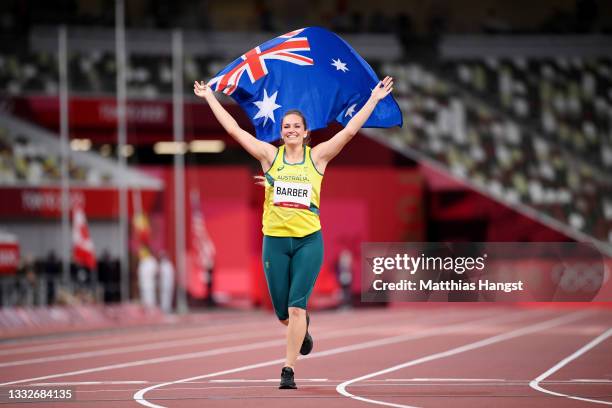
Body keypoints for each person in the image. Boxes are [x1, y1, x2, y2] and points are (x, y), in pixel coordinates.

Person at [194, 76, 394, 389]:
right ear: (281, 131)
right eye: (286, 126)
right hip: (274, 242)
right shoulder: (269, 158)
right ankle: (302, 330)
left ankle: (288, 369)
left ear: (305, 132)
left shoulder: (318, 157)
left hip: (308, 241)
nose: (290, 130)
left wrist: (374, 98)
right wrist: (209, 97)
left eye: (296, 127)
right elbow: (234, 130)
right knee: (282, 314)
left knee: (296, 306)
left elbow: (351, 130)